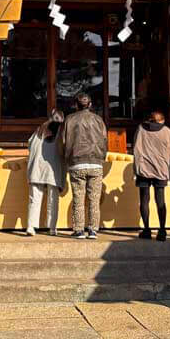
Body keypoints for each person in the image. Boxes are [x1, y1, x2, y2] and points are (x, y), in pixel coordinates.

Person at [61, 92, 108, 240]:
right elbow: (105, 140)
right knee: (94, 199)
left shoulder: (70, 119)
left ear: (76, 104)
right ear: (90, 104)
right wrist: (102, 156)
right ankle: (93, 229)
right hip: (95, 162)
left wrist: (67, 158)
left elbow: (63, 141)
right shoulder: (98, 120)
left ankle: (79, 230)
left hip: (77, 162)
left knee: (78, 198)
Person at [133, 109, 170, 241]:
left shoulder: (141, 129)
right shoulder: (166, 131)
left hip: (143, 169)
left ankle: (146, 229)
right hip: (160, 169)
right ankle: (162, 230)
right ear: (161, 120)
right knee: (160, 200)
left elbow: (135, 148)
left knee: (144, 200)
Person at [25, 109, 65, 237]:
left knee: (34, 199)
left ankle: (31, 226)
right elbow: (64, 148)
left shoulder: (39, 129)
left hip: (36, 167)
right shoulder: (61, 131)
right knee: (53, 200)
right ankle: (52, 227)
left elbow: (30, 144)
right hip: (53, 168)